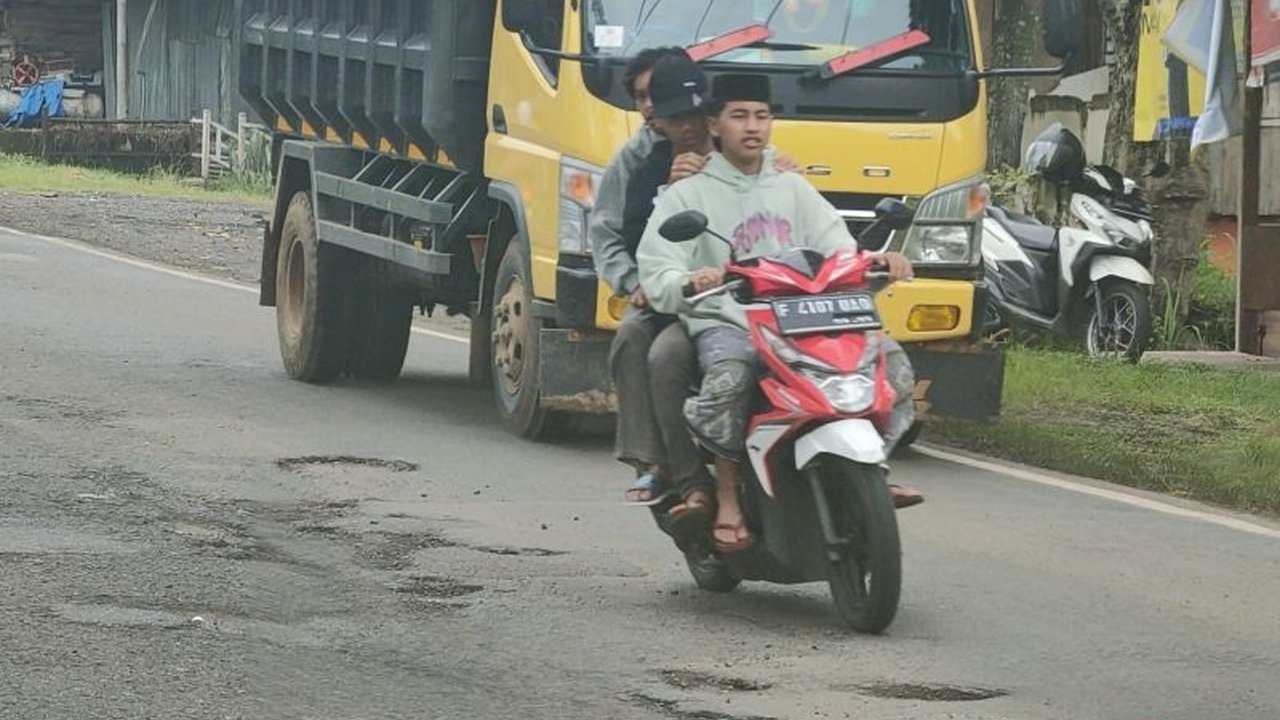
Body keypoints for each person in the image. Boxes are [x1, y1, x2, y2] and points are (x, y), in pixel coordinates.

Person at [637, 73, 923, 554]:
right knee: (729, 378)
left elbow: (837, 247)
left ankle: (872, 471)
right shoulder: (688, 194)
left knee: (893, 368)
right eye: (739, 116)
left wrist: (876, 263)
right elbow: (658, 268)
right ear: (714, 124)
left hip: (809, 318)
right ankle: (727, 497)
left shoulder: (793, 187)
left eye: (762, 116)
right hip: (730, 320)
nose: (753, 127)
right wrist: (690, 280)